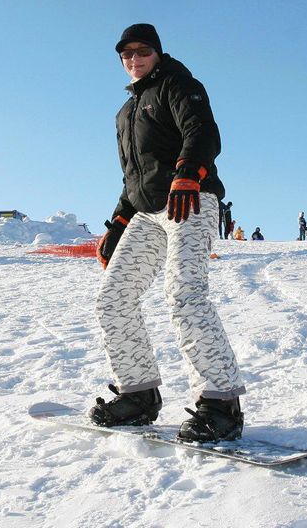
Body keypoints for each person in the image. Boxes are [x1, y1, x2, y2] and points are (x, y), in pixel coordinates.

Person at [92, 23, 245, 443]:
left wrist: (188, 174)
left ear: (158, 53)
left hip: (188, 200)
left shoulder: (179, 84)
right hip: (147, 212)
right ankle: (138, 394)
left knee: (184, 293)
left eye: (143, 52)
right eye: (127, 54)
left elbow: (203, 132)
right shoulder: (125, 113)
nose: (135, 60)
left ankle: (222, 405)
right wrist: (117, 223)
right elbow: (134, 177)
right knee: (112, 297)